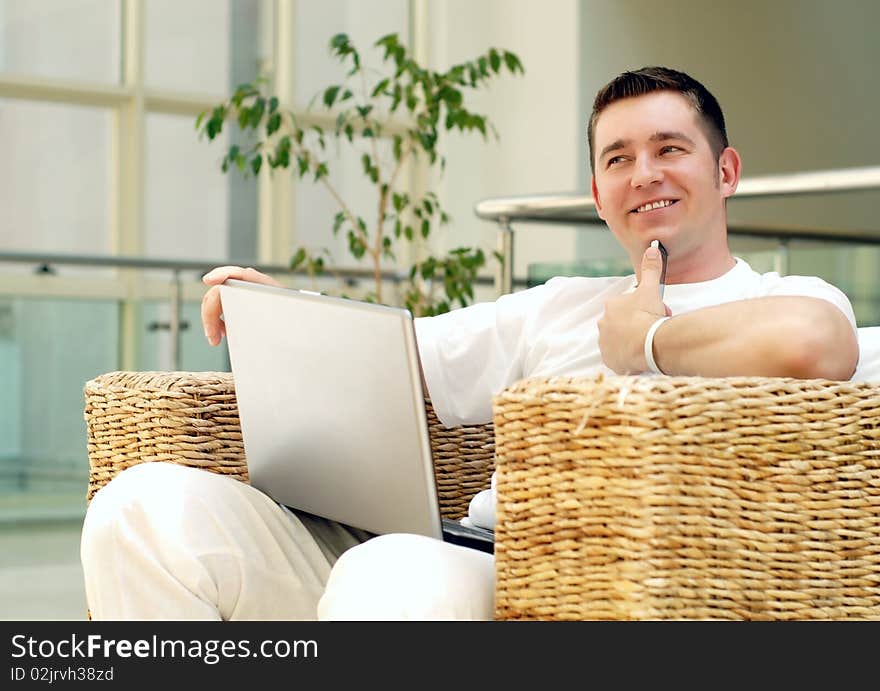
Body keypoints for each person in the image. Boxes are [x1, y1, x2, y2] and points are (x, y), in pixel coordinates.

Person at [81, 66, 859, 620]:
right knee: (140, 508)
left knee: (387, 576)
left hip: (537, 582)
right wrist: (281, 312)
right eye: (617, 159)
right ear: (597, 194)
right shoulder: (557, 306)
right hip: (453, 544)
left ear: (725, 170)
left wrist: (649, 339)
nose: (643, 174)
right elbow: (391, 361)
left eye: (669, 149)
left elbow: (818, 342)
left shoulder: (780, 299)